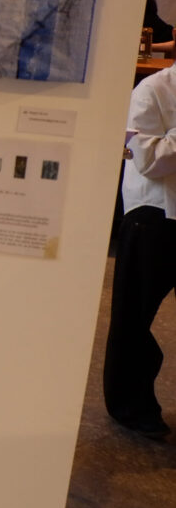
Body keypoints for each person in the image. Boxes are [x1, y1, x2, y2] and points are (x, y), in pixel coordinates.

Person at [104, 61, 176, 440]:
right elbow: (147, 160)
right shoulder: (152, 90)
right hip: (153, 218)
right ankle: (131, 409)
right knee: (132, 321)